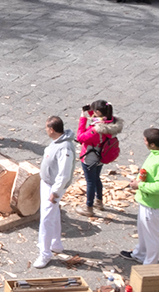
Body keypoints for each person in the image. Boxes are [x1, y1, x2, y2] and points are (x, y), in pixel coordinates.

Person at [121, 128, 159, 265]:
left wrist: (139, 186)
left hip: (152, 204)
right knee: (143, 230)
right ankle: (140, 254)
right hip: (145, 199)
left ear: (152, 144)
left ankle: (150, 264)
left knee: (151, 235)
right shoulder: (158, 151)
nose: (143, 141)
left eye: (145, 140)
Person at [34, 116, 76, 269]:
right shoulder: (59, 142)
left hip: (53, 187)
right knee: (53, 213)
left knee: (45, 218)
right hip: (48, 183)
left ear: (51, 129)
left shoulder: (64, 148)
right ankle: (56, 243)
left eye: (46, 127)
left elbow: (64, 174)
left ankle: (44, 254)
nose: (45, 130)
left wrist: (55, 192)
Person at [75, 100, 123, 217]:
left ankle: (89, 208)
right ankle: (99, 202)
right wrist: (90, 111)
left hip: (90, 158)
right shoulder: (111, 123)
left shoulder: (96, 130)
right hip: (101, 156)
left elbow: (80, 137)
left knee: (90, 182)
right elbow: (97, 119)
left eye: (94, 111)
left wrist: (83, 118)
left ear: (98, 112)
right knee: (96, 179)